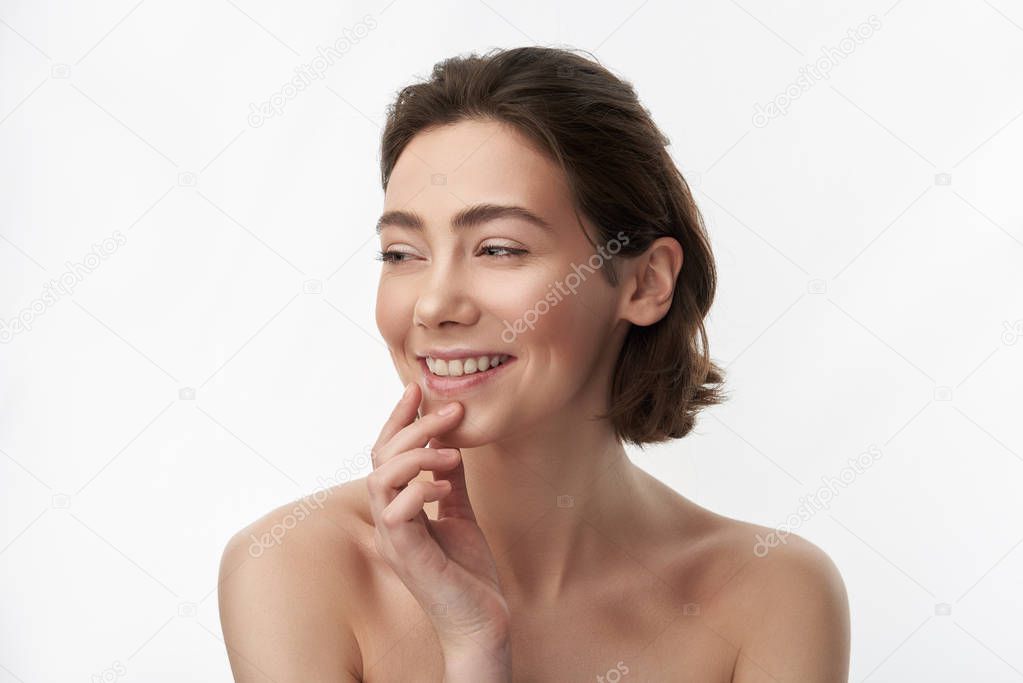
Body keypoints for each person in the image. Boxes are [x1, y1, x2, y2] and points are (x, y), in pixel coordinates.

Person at [218, 45, 850, 682]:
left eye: (497, 248)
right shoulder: (291, 569)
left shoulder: (772, 594)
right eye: (402, 253)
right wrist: (472, 646)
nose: (434, 304)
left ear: (645, 282)